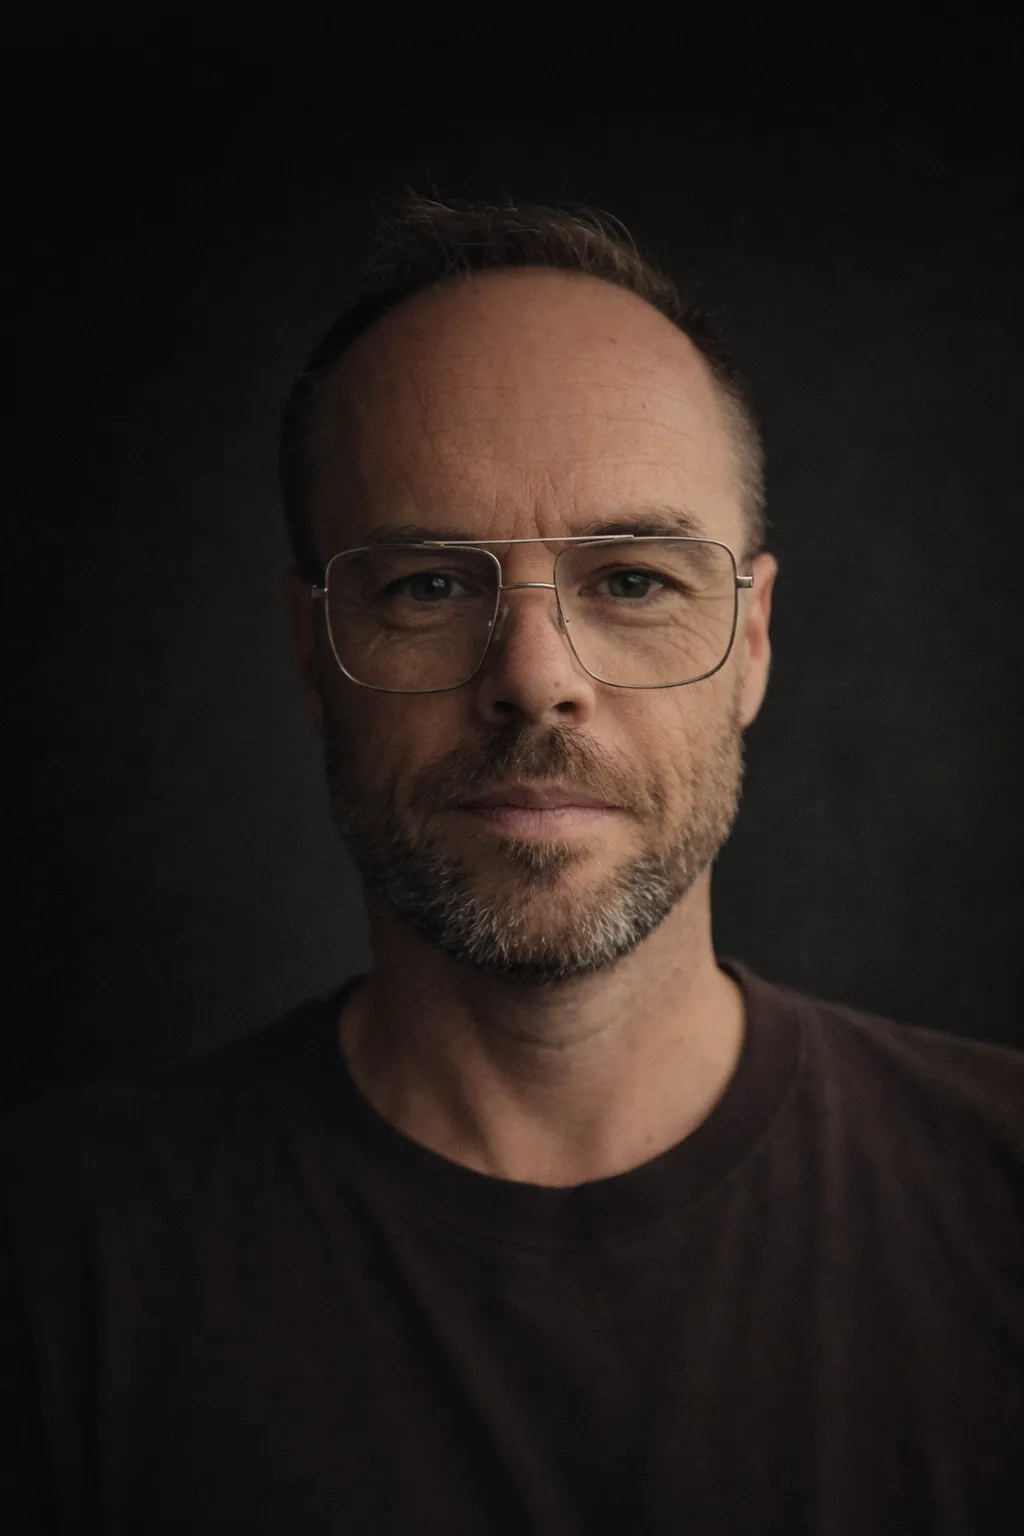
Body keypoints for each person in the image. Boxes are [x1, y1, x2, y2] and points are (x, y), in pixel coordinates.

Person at [2, 196, 1022, 1535]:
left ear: (755, 638)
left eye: (634, 579)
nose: (535, 681)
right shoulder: (46, 1267)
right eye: (429, 585)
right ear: (313, 657)